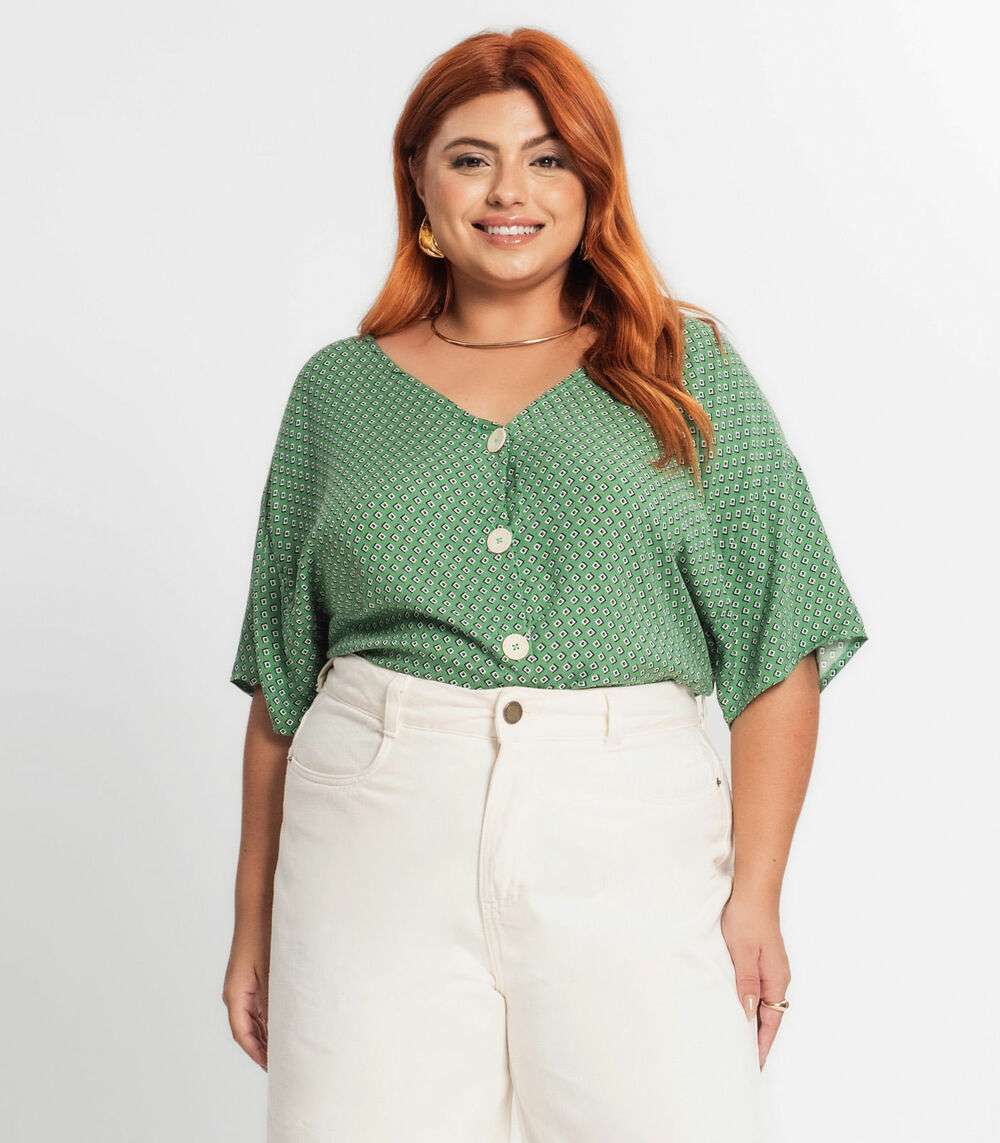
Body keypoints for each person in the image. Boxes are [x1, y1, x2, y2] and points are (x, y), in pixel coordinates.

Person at [221, 26, 868, 1143]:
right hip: (374, 824)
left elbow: (781, 646)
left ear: (592, 182)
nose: (508, 191)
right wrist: (252, 923)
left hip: (630, 828)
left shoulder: (685, 371)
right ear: (419, 180)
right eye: (471, 158)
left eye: (548, 158)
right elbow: (282, 685)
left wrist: (756, 895)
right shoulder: (336, 393)